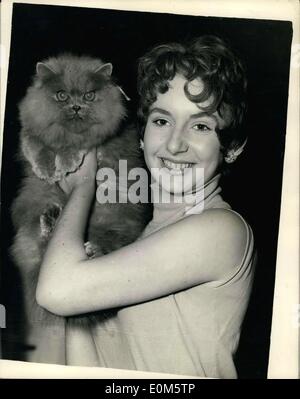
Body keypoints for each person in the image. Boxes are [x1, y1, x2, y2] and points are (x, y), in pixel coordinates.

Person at [36, 35, 256, 378]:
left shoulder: (221, 231)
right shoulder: (137, 241)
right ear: (142, 134)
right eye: (161, 120)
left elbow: (55, 291)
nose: (174, 143)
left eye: (200, 125)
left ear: (232, 148)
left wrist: (82, 186)